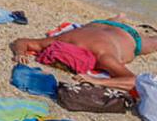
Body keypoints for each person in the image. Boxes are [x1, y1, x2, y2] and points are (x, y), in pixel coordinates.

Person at [10, 20, 157, 91]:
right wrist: (19, 53)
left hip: (128, 34)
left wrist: (97, 81)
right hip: (99, 24)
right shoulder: (60, 41)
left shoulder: (103, 57)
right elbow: (22, 42)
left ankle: (119, 18)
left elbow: (134, 81)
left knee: (153, 43)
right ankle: (118, 17)